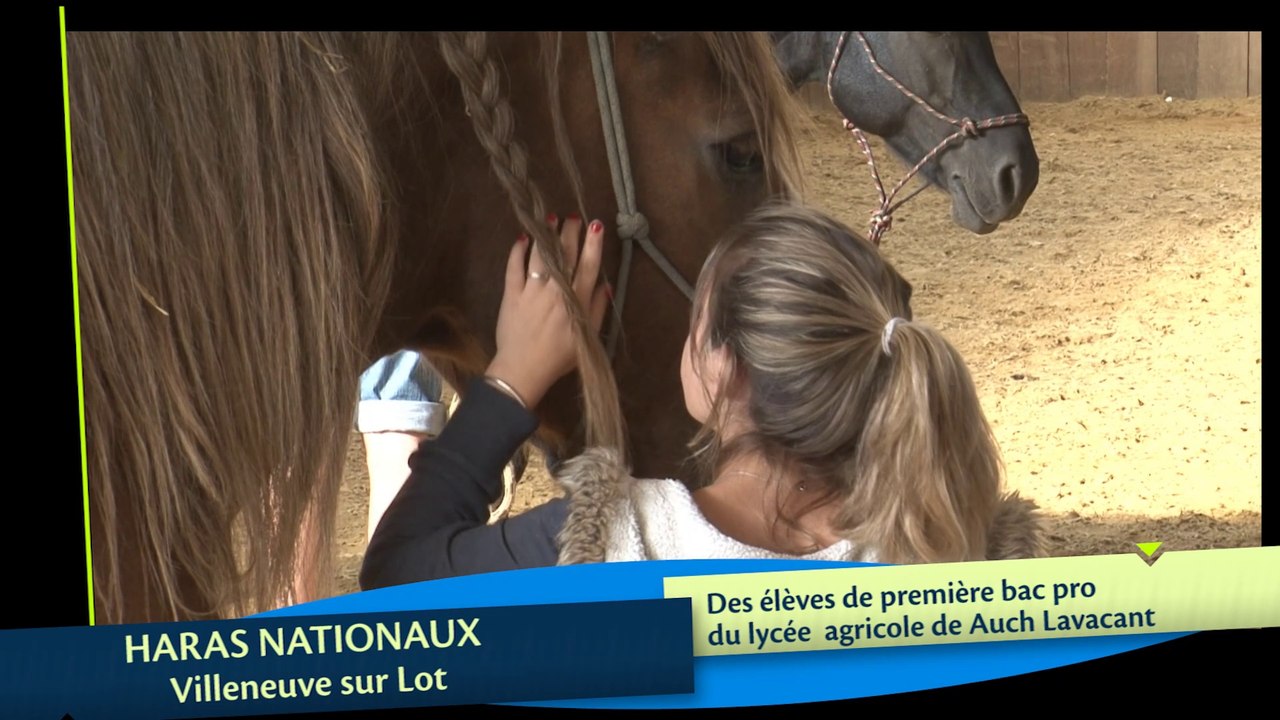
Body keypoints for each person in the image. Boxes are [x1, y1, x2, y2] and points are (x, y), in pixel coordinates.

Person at [360, 204, 1045, 590]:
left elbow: (394, 579)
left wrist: (511, 380)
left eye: (697, 325)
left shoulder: (611, 542)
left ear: (726, 372)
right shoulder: (954, 557)